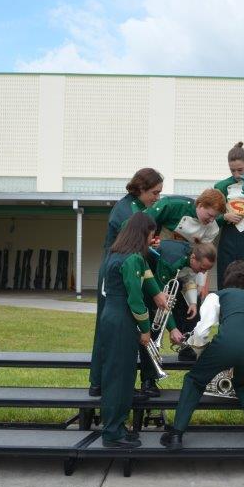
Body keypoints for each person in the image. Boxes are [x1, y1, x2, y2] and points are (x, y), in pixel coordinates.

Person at [160, 260, 244, 451]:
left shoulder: (217, 295)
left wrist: (198, 350)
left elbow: (202, 330)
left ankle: (176, 435)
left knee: (194, 380)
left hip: (227, 344)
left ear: (225, 282)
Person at [92, 212, 167, 448]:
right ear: (142, 234)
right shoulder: (132, 259)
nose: (152, 240)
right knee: (120, 378)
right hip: (122, 319)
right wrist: (145, 330)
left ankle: (117, 427)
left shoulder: (117, 254)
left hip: (112, 316)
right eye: (151, 235)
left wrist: (158, 294)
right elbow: (135, 299)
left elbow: (146, 275)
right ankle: (113, 433)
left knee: (118, 375)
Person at [89, 168, 165, 396]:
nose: (157, 198)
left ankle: (108, 382)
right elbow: (131, 246)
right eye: (154, 192)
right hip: (118, 275)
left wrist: (149, 242)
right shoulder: (127, 210)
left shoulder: (136, 207)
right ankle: (104, 382)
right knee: (112, 330)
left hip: (124, 268)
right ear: (140, 188)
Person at [139, 240, 217, 397]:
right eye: (202, 268)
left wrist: (193, 302)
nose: (203, 273)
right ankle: (148, 381)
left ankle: (187, 349)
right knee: (153, 331)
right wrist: (172, 328)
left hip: (162, 286)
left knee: (190, 316)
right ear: (193, 258)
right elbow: (160, 298)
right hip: (146, 289)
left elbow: (187, 277)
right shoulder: (170, 261)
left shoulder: (191, 255)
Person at [213, 142, 244, 289]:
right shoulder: (221, 187)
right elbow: (210, 218)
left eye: (240, 170)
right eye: (232, 170)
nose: (236, 174)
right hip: (227, 237)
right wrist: (224, 217)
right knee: (225, 278)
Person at [144, 188, 226, 245]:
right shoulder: (173, 205)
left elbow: (202, 255)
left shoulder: (213, 229)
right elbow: (143, 223)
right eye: (210, 215)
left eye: (215, 217)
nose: (212, 220)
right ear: (200, 205)